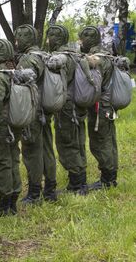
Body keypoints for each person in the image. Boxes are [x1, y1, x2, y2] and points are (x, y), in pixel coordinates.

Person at [14, 24, 58, 203]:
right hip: (46, 110)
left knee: (32, 151)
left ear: (25, 39)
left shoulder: (28, 59)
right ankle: (50, 190)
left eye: (18, 38)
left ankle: (34, 193)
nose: (16, 42)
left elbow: (22, 84)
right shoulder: (45, 55)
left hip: (33, 112)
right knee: (47, 148)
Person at [46, 25, 88, 195]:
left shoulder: (61, 57)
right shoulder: (75, 54)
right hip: (78, 105)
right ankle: (81, 180)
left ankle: (77, 185)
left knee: (66, 143)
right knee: (78, 142)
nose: (47, 41)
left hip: (66, 108)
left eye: (49, 37)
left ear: (56, 38)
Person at [79, 26, 119, 189]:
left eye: (81, 39)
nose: (80, 42)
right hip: (109, 106)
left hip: (100, 108)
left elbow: (94, 85)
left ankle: (107, 180)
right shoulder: (107, 55)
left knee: (99, 142)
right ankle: (111, 177)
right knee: (109, 140)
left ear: (88, 39)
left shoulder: (96, 59)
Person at [0, 39, 21, 216]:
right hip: (16, 126)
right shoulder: (17, 73)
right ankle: (13, 202)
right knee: (14, 160)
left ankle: (4, 205)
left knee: (1, 163)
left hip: (1, 129)